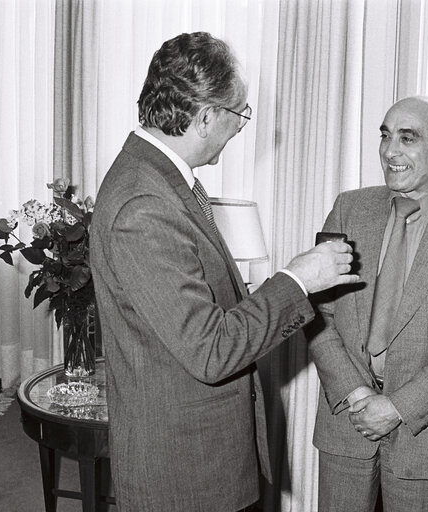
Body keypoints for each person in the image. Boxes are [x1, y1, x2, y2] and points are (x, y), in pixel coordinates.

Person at [89, 32, 358, 512]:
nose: (239, 128)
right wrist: (298, 280)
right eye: (240, 113)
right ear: (206, 115)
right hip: (184, 471)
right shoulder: (144, 205)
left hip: (199, 454)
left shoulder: (163, 181)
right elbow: (210, 350)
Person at [308, 96, 428, 512]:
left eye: (407, 138)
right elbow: (316, 312)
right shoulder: (349, 208)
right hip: (348, 418)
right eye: (385, 135)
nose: (390, 150)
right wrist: (355, 391)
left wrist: (398, 407)